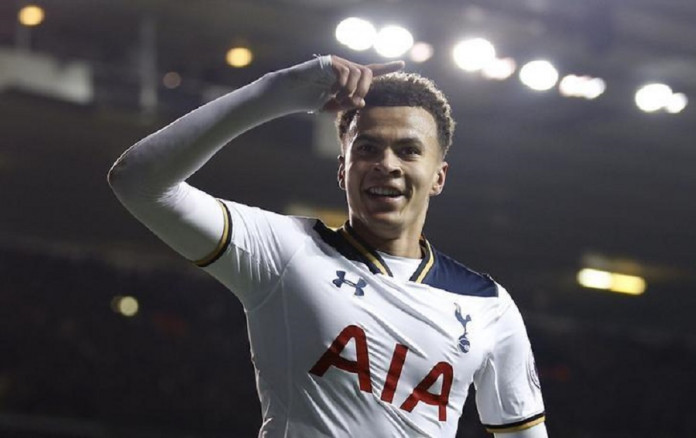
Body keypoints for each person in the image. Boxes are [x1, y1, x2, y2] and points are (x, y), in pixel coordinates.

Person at [108, 54, 547, 437]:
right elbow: (138, 182)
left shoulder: (488, 305)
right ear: (343, 169)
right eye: (368, 148)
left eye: (409, 150)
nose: (386, 165)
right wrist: (277, 92)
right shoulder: (285, 252)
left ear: (438, 176)